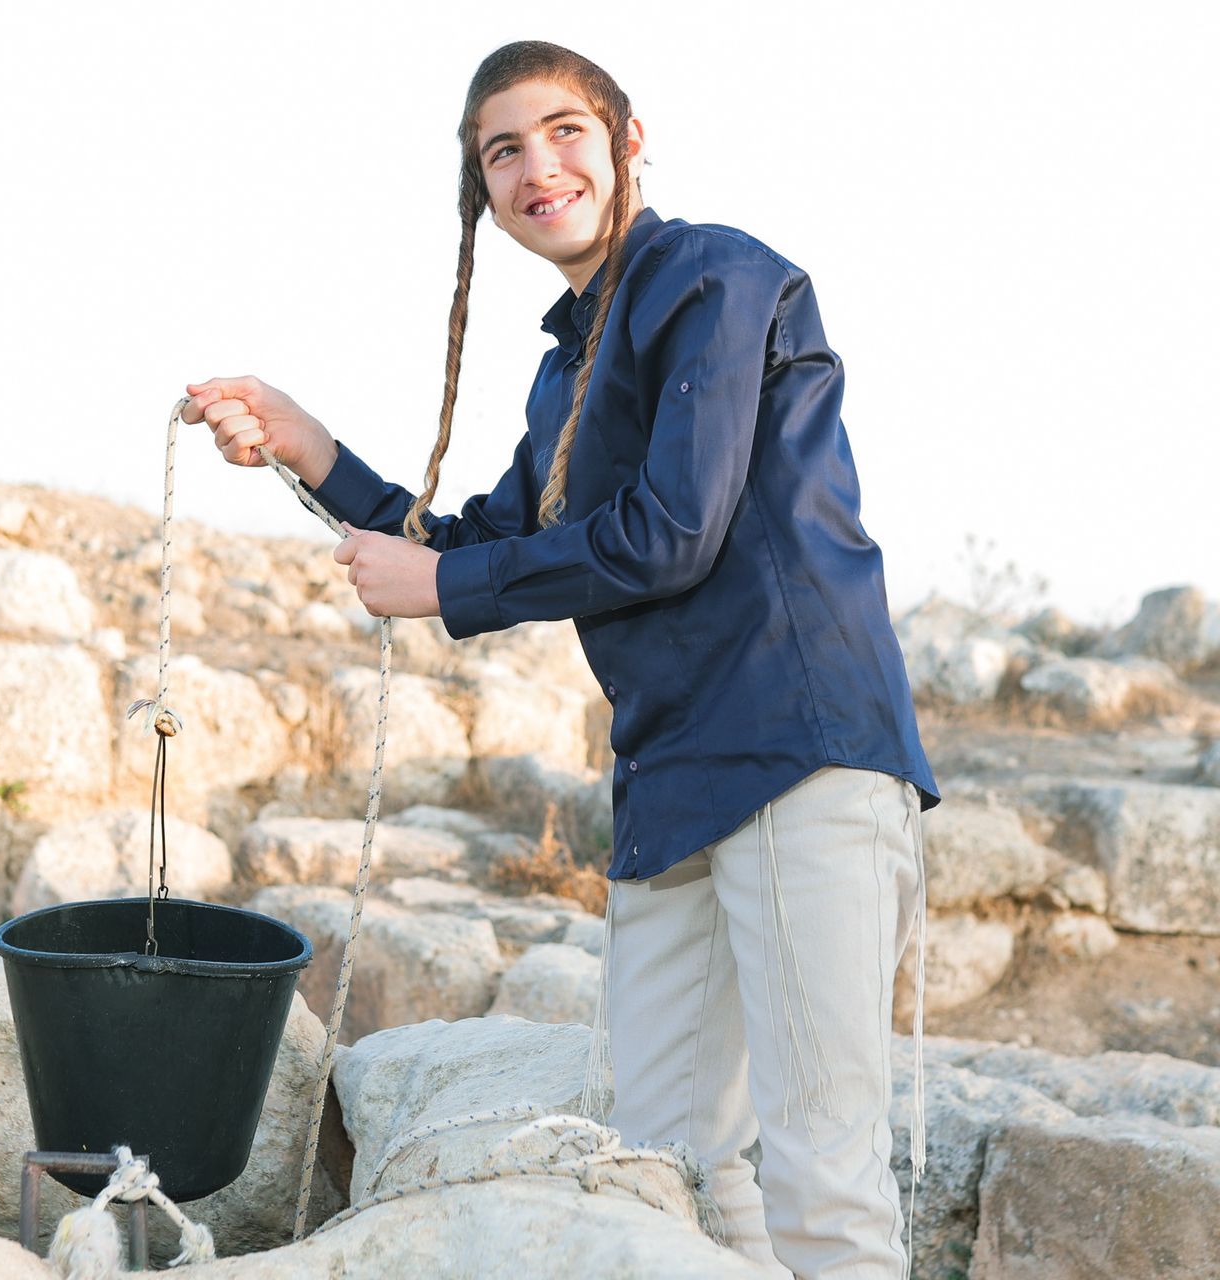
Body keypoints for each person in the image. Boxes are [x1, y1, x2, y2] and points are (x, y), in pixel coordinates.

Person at [182, 38, 938, 1280]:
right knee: (664, 1163)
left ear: (629, 140)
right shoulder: (562, 375)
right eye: (503, 152)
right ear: (482, 193)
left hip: (800, 751)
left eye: (565, 130)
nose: (538, 165)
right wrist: (309, 448)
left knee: (822, 1166)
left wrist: (443, 588)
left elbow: (674, 529)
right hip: (670, 784)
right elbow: (471, 544)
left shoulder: (714, 275)